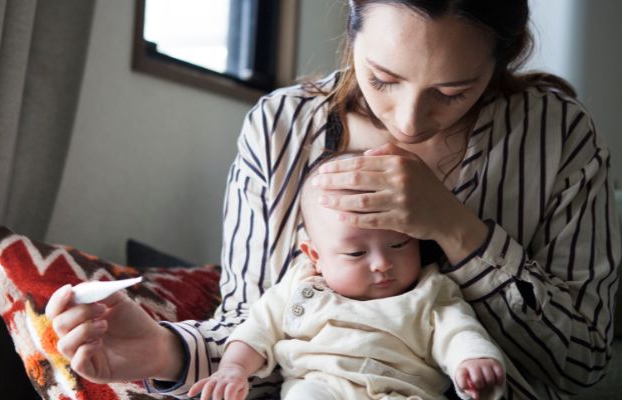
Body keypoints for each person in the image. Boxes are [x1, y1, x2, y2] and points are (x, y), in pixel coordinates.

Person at [45, 1, 621, 398]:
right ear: (352, 23)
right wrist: (163, 352)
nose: (408, 119)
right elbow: (257, 332)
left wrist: (454, 228)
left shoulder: (559, 139)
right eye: (383, 78)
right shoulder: (279, 131)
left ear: (504, 57)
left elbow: (581, 364)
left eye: (453, 92)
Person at [187, 155, 506, 400]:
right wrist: (233, 369)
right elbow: (257, 328)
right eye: (356, 254)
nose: (382, 263)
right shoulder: (300, 285)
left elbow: (458, 331)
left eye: (399, 244)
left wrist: (473, 361)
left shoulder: (430, 290)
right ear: (315, 256)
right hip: (322, 386)